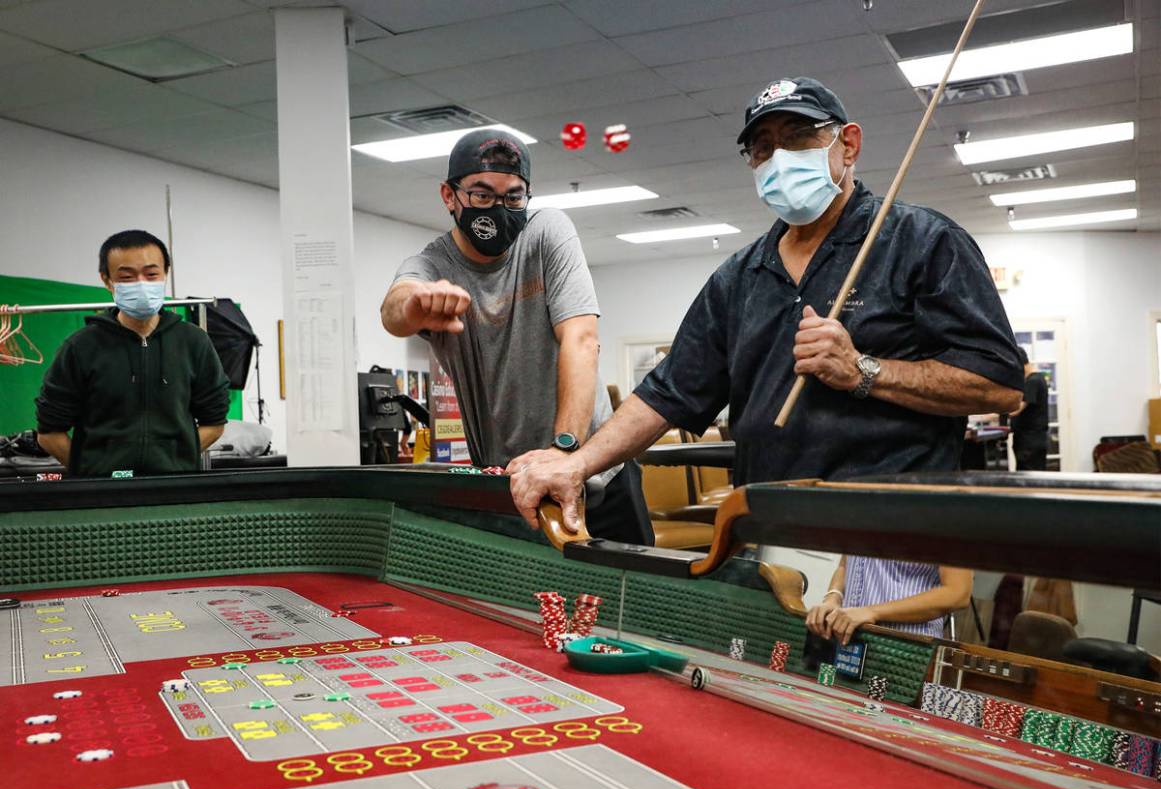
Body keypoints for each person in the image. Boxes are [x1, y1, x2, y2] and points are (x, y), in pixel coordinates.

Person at [511, 76, 1025, 638]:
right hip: (766, 543)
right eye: (762, 147)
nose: (779, 157)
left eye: (799, 137)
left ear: (847, 145)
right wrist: (577, 464)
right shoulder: (740, 277)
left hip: (885, 552)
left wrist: (863, 372)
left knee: (880, 716)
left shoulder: (920, 241)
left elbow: (999, 386)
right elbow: (667, 393)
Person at [380, 129, 653, 544]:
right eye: (482, 194)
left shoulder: (546, 232)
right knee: (525, 608)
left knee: (631, 602)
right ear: (449, 196)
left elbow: (581, 338)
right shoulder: (433, 265)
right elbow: (394, 308)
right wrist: (415, 303)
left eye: (513, 196)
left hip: (597, 473)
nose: (499, 208)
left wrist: (565, 453)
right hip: (509, 482)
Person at [36, 230, 230, 477]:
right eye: (127, 277)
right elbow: (49, 433)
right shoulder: (81, 347)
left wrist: (174, 459)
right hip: (102, 497)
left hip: (174, 491)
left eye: (151, 274)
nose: (141, 283)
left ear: (165, 275)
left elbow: (214, 422)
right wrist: (90, 472)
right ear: (107, 280)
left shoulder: (193, 342)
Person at [805, 557, 973, 643]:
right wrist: (833, 597)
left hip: (904, 653)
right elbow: (845, 565)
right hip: (848, 643)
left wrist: (871, 612)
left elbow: (957, 593)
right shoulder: (863, 501)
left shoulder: (944, 511)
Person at [1010, 347, 1049, 470]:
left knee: (1028, 480)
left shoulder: (1032, 382)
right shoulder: (1038, 378)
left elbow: (1016, 409)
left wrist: (988, 414)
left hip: (1030, 443)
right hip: (1032, 440)